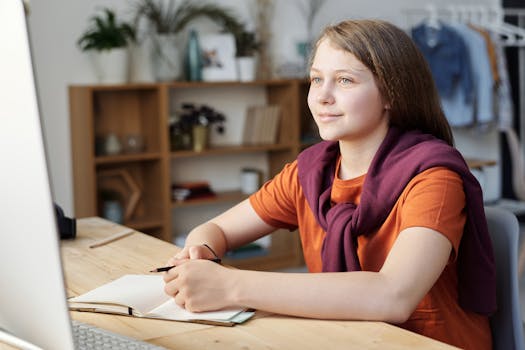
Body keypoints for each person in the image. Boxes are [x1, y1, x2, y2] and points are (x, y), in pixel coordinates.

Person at [163, 19, 496, 349]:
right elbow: (214, 231)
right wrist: (200, 255)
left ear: (391, 94)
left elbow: (393, 296)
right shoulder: (310, 173)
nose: (322, 96)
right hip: (345, 339)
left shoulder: (434, 179)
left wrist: (231, 285)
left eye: (345, 81)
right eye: (316, 79)